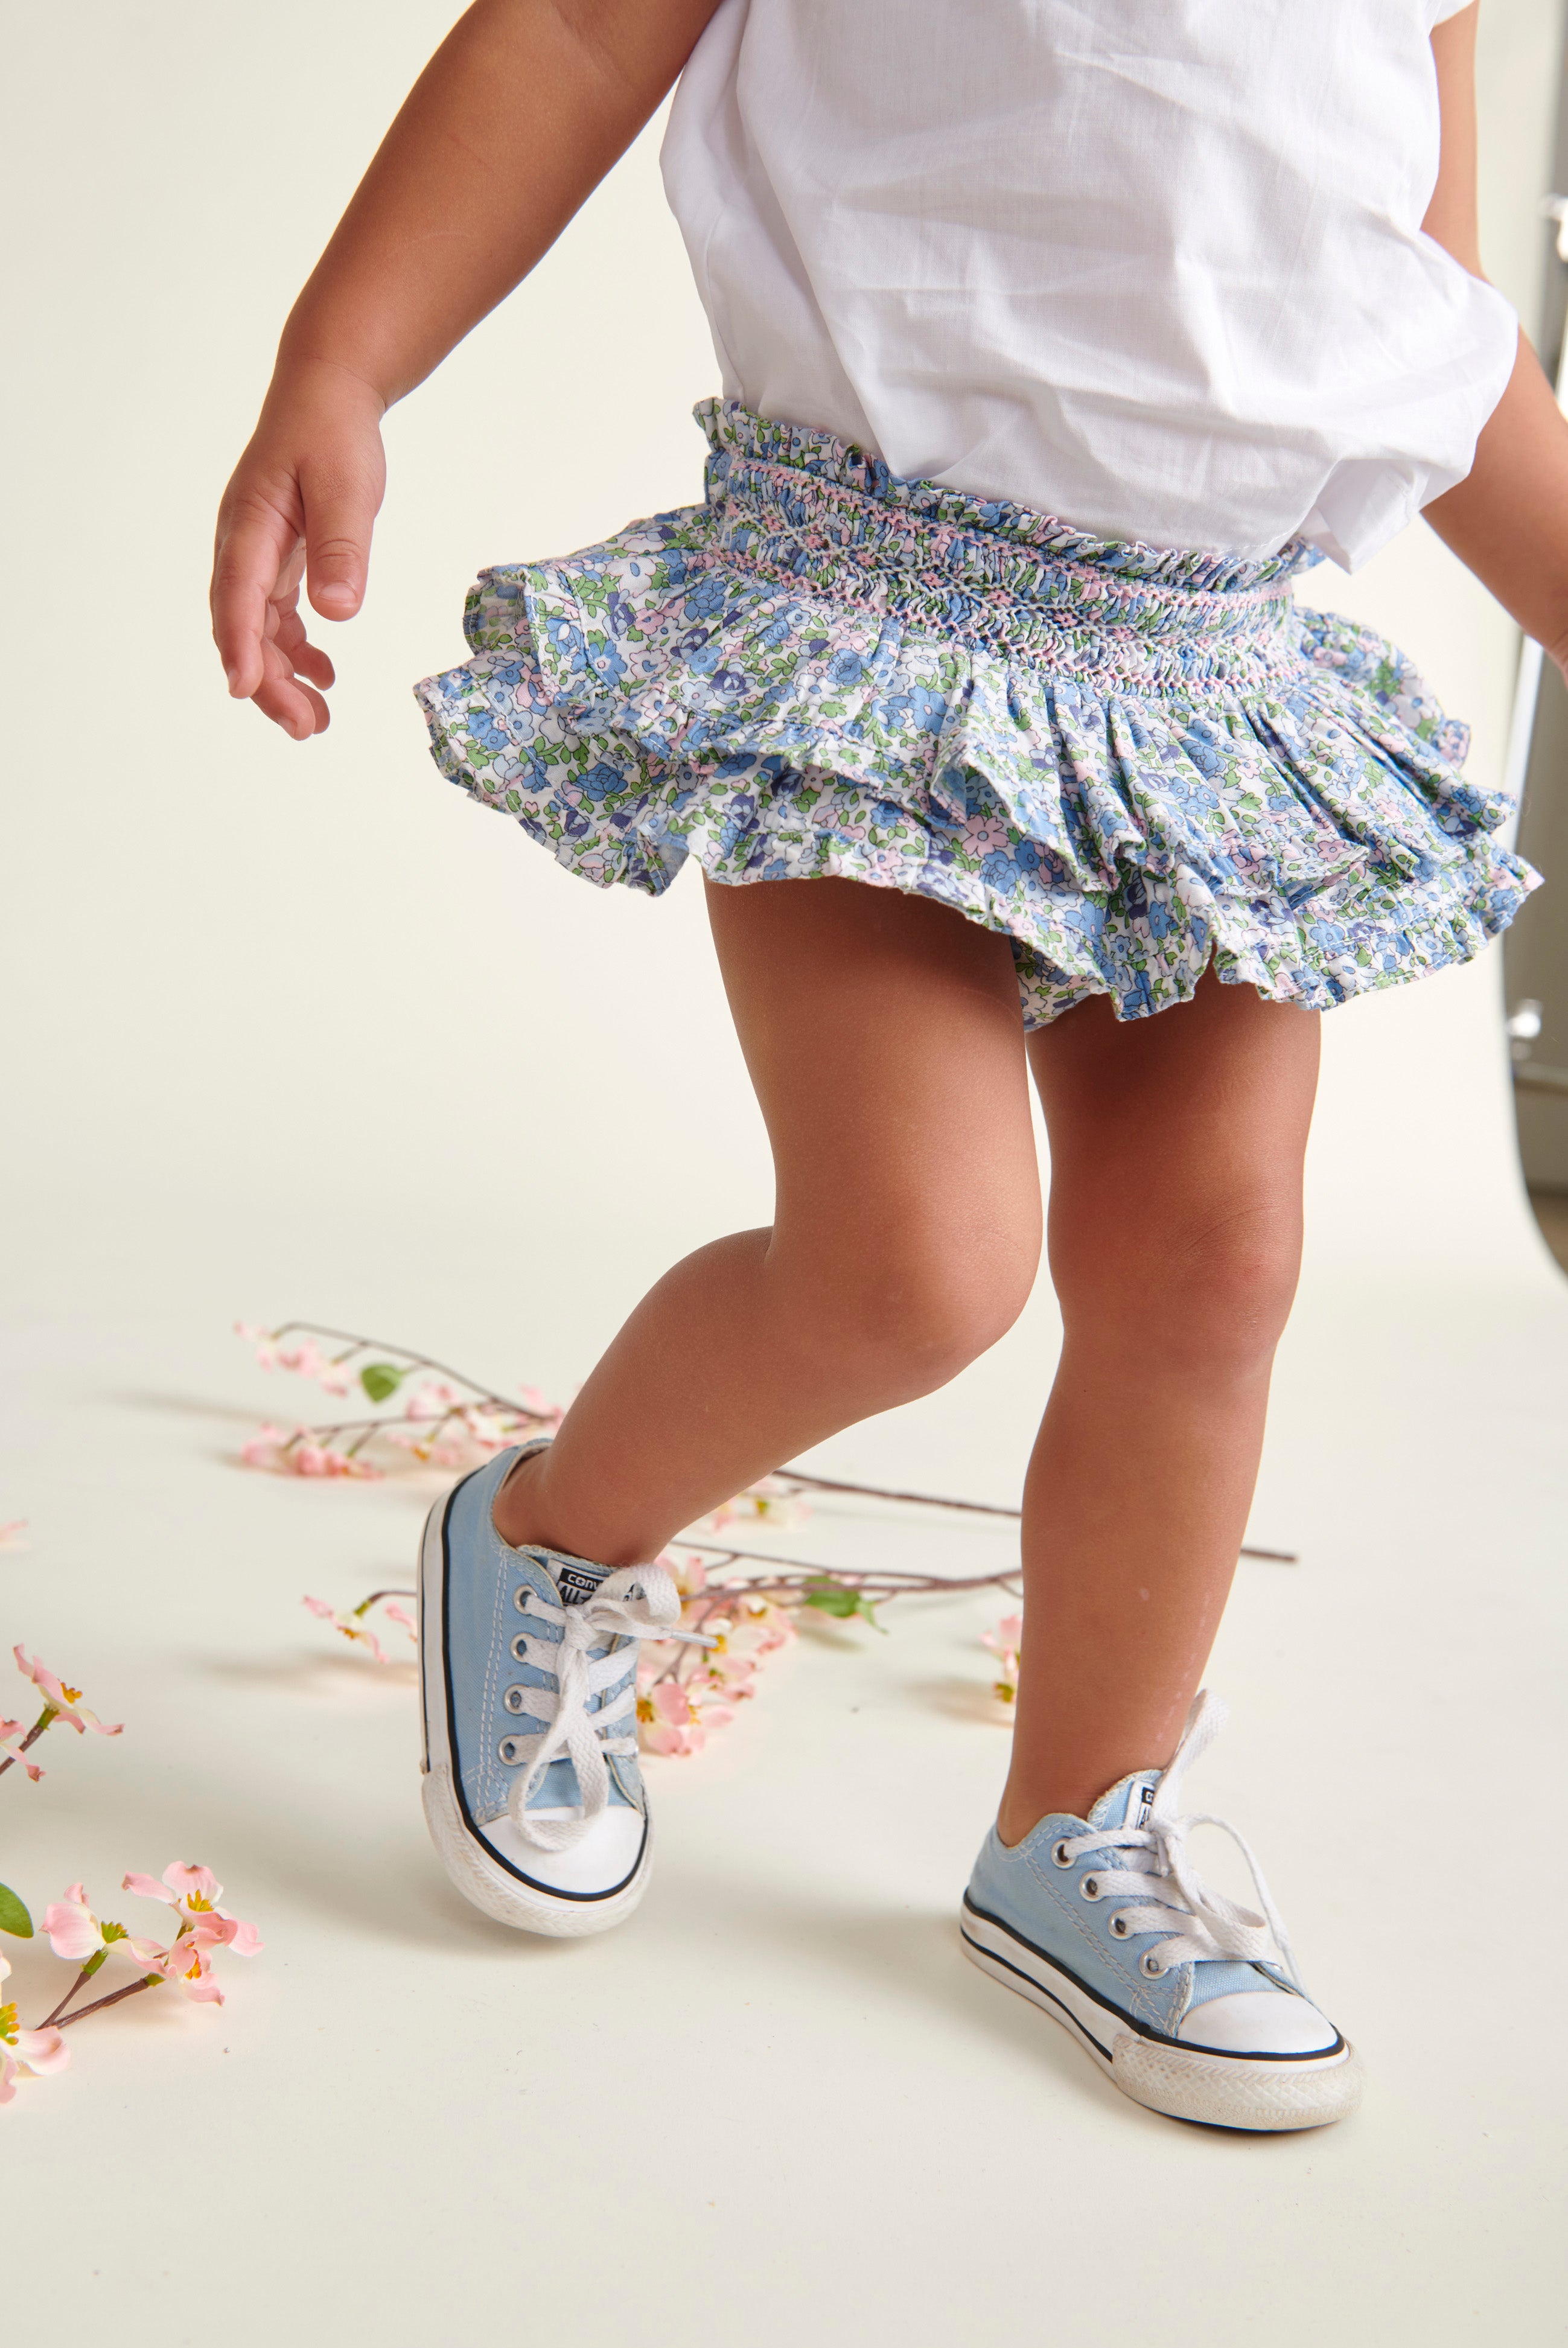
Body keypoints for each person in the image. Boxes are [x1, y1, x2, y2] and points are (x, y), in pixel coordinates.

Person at [211, 0, 1553, 2131]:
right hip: (865, 609)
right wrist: (343, 358)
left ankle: (1076, 1830)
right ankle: (548, 1533)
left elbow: (1427, 325)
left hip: (1214, 670)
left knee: (1213, 1269)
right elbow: (570, 33)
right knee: (917, 1260)